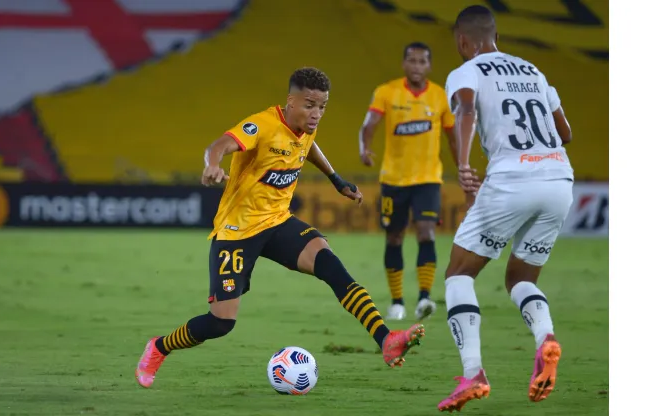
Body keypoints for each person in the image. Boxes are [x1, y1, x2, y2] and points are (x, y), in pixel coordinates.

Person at [135, 67, 425, 389]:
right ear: (290, 101)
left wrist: (336, 180)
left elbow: (309, 146)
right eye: (310, 105)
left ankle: (386, 339)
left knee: (331, 265)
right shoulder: (262, 125)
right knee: (220, 323)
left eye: (322, 107)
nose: (316, 114)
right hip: (237, 232)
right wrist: (212, 165)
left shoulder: (306, 127)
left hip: (277, 221)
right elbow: (219, 145)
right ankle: (159, 347)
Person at [438, 5, 574, 412]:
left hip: (511, 181)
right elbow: (564, 132)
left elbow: (465, 109)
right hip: (559, 180)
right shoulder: (533, 70)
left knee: (459, 274)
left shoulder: (466, 72)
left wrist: (463, 164)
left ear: (463, 41)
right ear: (495, 35)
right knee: (519, 278)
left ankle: (473, 373)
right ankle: (546, 337)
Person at [359, 42, 458, 322]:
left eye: (422, 62)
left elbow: (453, 136)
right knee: (394, 237)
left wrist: (462, 166)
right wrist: (364, 148)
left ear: (429, 66)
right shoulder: (386, 92)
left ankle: (425, 298)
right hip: (393, 180)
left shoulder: (440, 96)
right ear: (404, 64)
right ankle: (397, 301)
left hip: (428, 179)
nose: (416, 66)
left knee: (426, 232)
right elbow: (368, 125)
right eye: (412, 61)